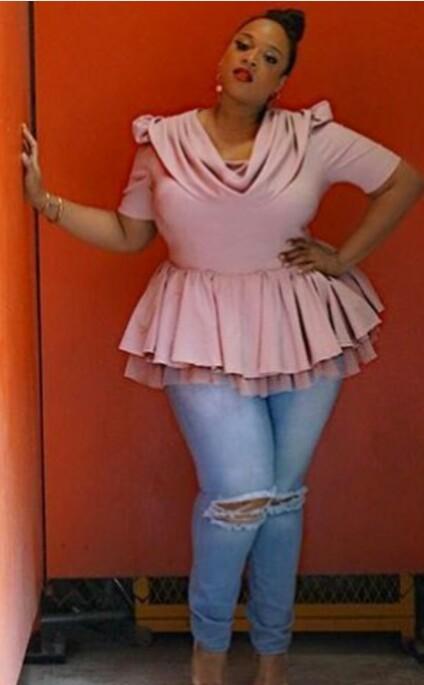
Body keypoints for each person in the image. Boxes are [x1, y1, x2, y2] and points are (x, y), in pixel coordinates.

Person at [21, 7, 424, 685]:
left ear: (281, 82)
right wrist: (47, 203)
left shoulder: (311, 137)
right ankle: (207, 657)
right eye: (243, 45)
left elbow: (402, 180)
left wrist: (343, 257)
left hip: (301, 324)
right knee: (240, 494)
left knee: (283, 500)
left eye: (270, 58)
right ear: (221, 57)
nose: (251, 61)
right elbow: (130, 233)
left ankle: (272, 660)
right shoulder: (164, 141)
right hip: (198, 326)